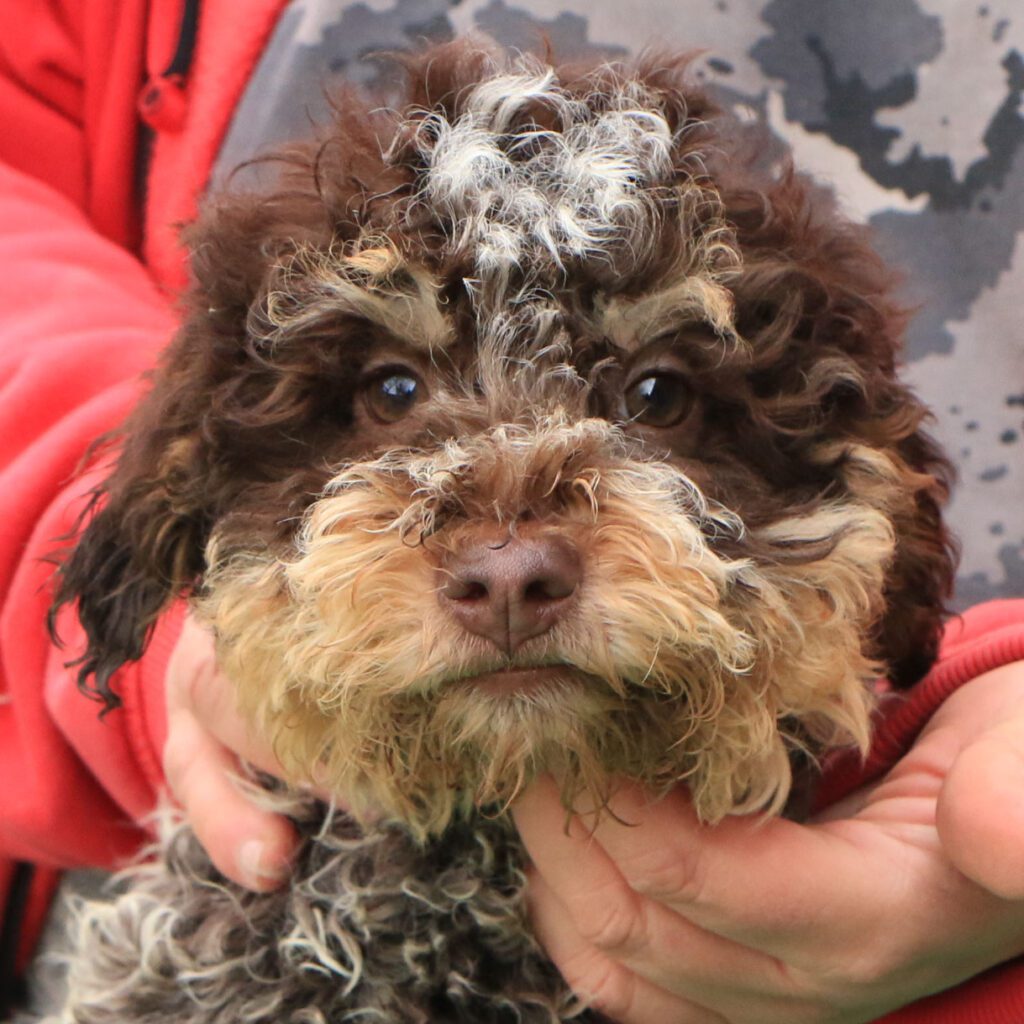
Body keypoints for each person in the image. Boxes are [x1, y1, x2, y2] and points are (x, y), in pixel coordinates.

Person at [1, 1, 1023, 1021]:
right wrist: (109, 590)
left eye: (655, 398)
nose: (510, 559)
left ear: (891, 514)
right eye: (390, 396)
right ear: (181, 491)